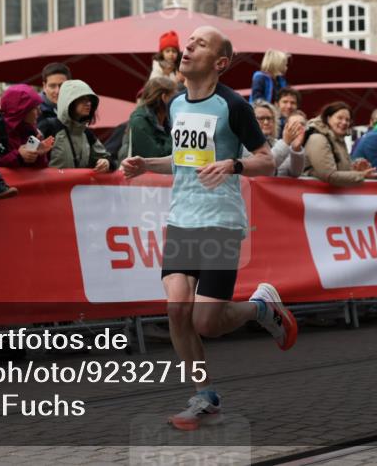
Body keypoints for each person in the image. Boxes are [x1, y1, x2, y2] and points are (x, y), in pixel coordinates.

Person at [121, 25, 297, 431]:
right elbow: (184, 160)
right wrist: (148, 164)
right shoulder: (179, 103)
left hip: (219, 221)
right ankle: (204, 398)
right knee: (176, 308)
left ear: (220, 62)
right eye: (189, 42)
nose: (188, 47)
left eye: (200, 44)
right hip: (182, 218)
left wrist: (232, 165)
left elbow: (266, 159)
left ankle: (261, 308)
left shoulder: (233, 106)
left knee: (206, 322)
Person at [304, 101, 377, 186]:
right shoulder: (318, 139)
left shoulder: (338, 139)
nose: (344, 122)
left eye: (347, 120)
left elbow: (341, 170)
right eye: (340, 118)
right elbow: (329, 175)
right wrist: (362, 175)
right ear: (328, 118)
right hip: (316, 195)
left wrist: (356, 169)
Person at [0, 83, 55, 168]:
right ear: (22, 110)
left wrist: (38, 155)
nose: (39, 112)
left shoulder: (31, 129)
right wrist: (18, 156)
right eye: (35, 108)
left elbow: (39, 170)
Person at [45, 79, 114, 172]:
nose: (88, 103)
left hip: (78, 186)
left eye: (89, 100)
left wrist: (106, 162)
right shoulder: (49, 127)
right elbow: (32, 159)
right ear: (68, 101)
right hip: (51, 186)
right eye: (82, 99)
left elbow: (109, 160)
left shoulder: (86, 133)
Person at [123, 76, 176, 159]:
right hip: (144, 171)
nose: (177, 99)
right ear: (164, 98)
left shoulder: (166, 120)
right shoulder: (139, 121)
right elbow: (155, 157)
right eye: (174, 95)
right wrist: (175, 133)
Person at [250, 99, 305, 177]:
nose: (266, 122)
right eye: (261, 119)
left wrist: (296, 149)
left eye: (269, 118)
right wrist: (285, 142)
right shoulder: (244, 145)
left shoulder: (277, 143)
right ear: (251, 121)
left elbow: (295, 173)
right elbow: (263, 167)